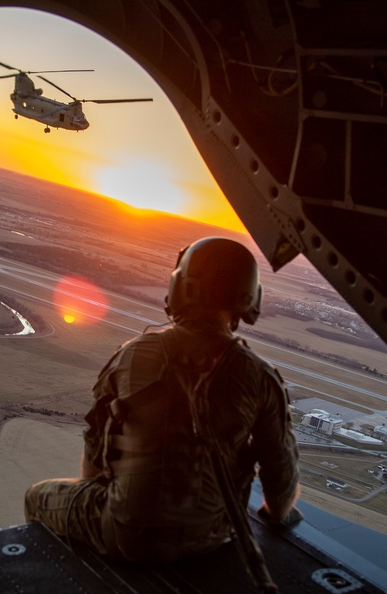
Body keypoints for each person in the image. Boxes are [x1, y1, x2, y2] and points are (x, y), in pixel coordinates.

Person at [24, 237, 300, 584]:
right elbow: (281, 484)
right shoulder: (261, 377)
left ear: (180, 287)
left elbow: (95, 461)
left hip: (126, 535)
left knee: (36, 497)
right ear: (248, 298)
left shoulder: (132, 354)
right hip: (214, 536)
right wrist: (275, 514)